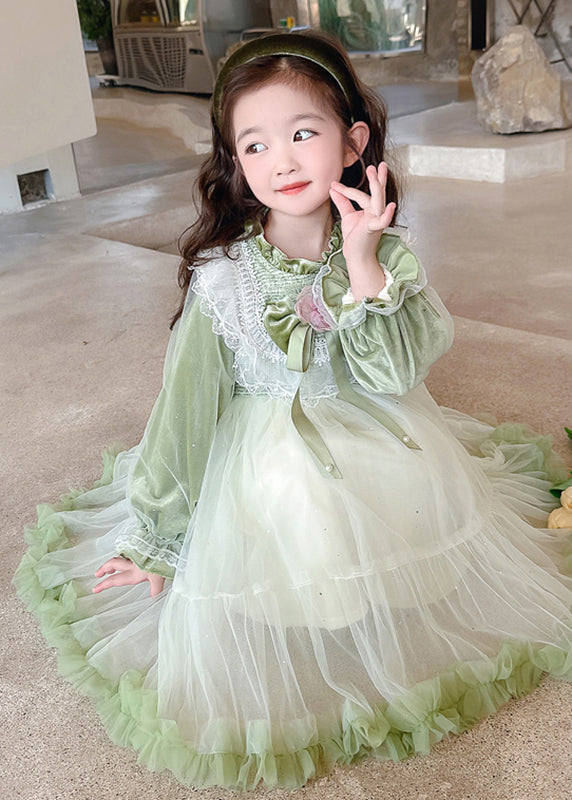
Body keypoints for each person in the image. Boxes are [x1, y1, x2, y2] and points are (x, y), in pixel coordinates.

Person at [15, 31, 572, 792]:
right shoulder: (226, 278)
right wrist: (157, 538)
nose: (281, 161)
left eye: (303, 133)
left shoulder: (385, 253)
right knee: (294, 494)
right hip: (267, 436)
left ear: (353, 142)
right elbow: (186, 409)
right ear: (235, 163)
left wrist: (364, 263)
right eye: (255, 145)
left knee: (403, 484)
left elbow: (394, 374)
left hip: (371, 416)